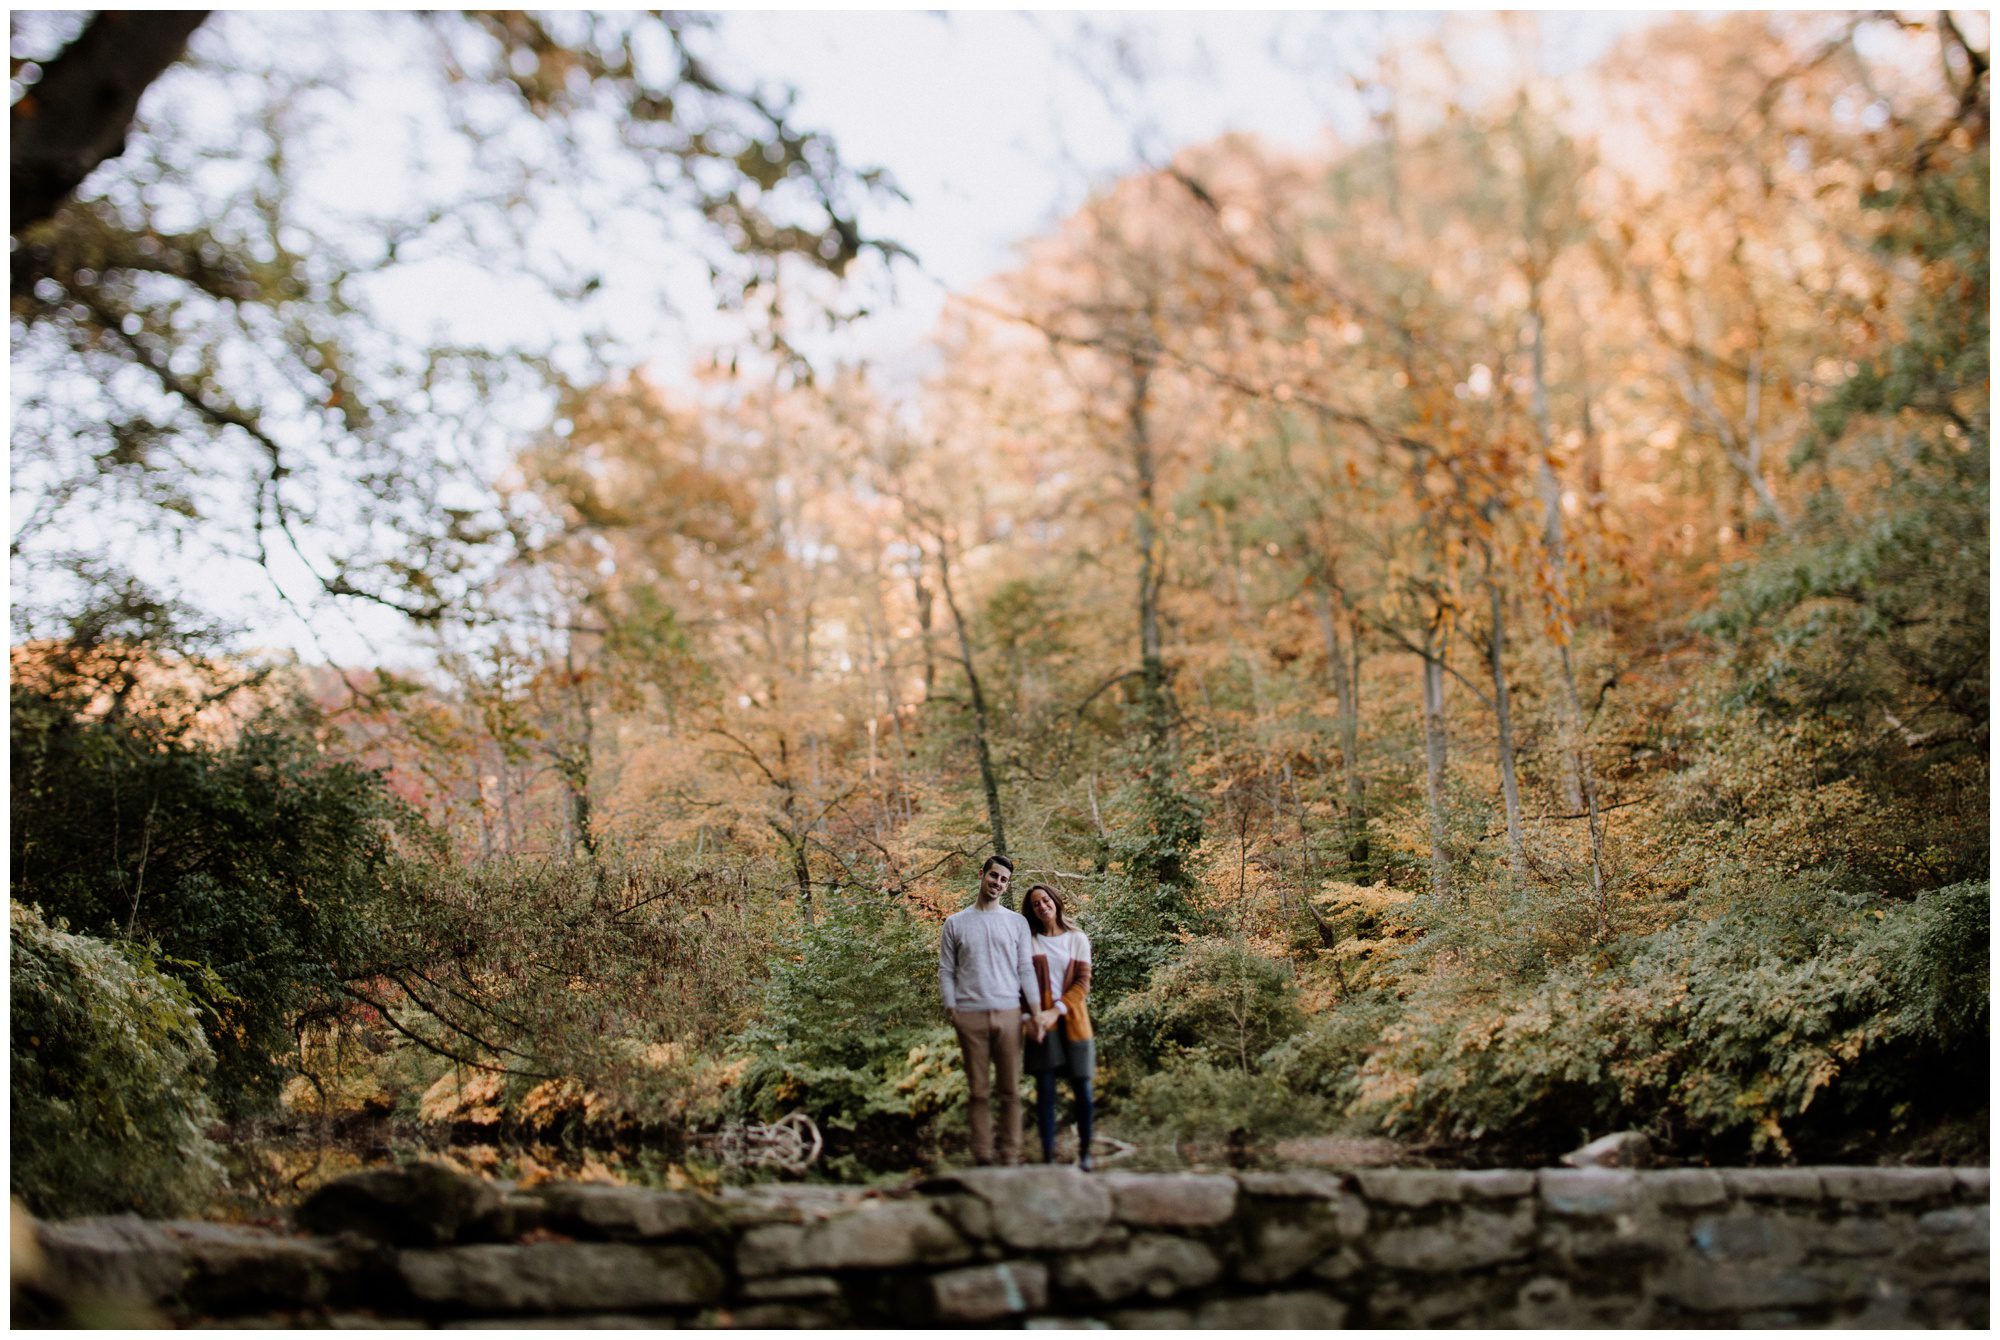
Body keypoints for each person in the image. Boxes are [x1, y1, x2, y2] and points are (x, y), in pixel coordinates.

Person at [937, 854, 1040, 1166]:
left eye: (1004, 880)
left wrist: (1035, 1013)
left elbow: (1025, 969)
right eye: (994, 876)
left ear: (1007, 886)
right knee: (979, 1092)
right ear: (982, 874)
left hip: (1009, 1013)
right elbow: (946, 971)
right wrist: (953, 1009)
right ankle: (982, 1155)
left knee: (1010, 1090)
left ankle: (1010, 1154)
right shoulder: (955, 923)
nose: (997, 883)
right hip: (970, 1015)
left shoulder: (1017, 923)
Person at [1021, 882, 1096, 1171]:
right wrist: (1030, 1018)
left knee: (1084, 1092)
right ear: (1032, 910)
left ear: (1056, 900)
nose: (1042, 906)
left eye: (1046, 900)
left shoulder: (1077, 938)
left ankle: (1086, 1155)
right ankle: (1049, 1158)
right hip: (1041, 1026)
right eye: (1036, 903)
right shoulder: (1028, 941)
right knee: (1046, 1093)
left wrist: (1056, 1011)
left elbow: (1082, 983)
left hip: (1075, 1023)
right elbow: (1021, 985)